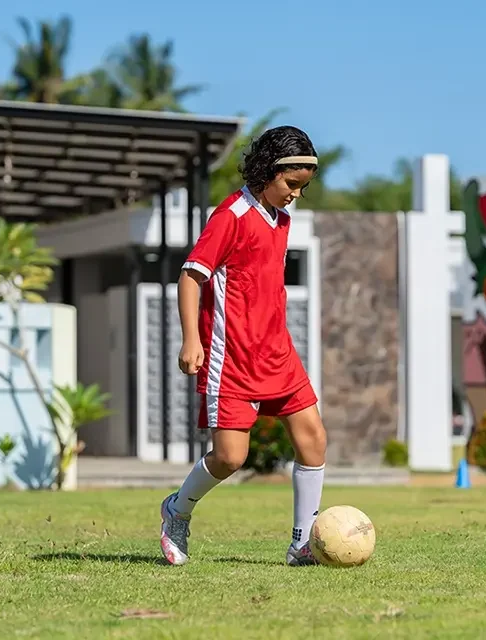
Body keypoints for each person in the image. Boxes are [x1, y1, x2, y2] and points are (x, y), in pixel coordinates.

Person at [159, 125, 327, 567]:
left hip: (278, 352)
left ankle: (301, 544)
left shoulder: (282, 217)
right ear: (266, 171)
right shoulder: (230, 216)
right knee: (230, 458)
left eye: (302, 187)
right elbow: (190, 277)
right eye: (291, 184)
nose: (295, 195)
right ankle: (177, 510)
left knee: (313, 439)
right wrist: (191, 338)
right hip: (230, 359)